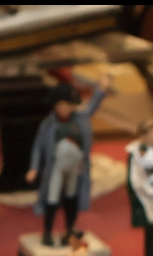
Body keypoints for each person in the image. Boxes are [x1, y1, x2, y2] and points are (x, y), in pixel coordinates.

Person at [26, 77, 111, 246]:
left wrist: (101, 90)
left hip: (75, 168)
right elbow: (38, 147)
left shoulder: (80, 119)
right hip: (56, 167)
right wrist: (34, 168)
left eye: (67, 104)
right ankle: (48, 232)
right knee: (52, 197)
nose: (64, 108)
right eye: (60, 104)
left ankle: (69, 229)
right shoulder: (48, 124)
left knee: (71, 197)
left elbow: (92, 106)